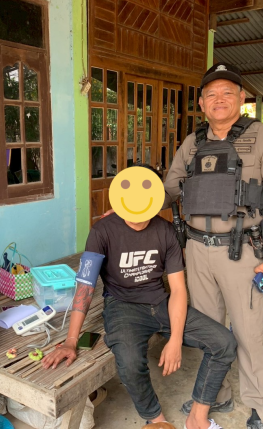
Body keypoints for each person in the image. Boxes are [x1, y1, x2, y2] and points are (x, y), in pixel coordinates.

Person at [42, 165, 237, 429]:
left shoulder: (166, 231)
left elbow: (178, 289)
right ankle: (155, 419)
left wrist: (175, 340)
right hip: (123, 306)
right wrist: (71, 340)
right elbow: (85, 287)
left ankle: (198, 417)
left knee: (224, 343)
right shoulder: (102, 231)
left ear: (156, 198)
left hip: (160, 302)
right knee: (131, 362)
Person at [163, 63, 263, 429]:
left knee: (248, 333)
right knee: (210, 333)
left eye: (227, 92)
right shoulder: (192, 143)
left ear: (241, 97)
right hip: (196, 250)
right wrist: (130, 205)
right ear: (202, 103)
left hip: (242, 251)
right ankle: (216, 395)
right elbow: (169, 189)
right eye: (211, 94)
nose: (218, 99)